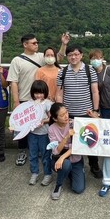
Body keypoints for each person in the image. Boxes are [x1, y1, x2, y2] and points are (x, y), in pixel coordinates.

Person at [8, 32, 69, 166]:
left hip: (42, 99)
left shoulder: (42, 56)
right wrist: (16, 101)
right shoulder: (17, 60)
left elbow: (57, 57)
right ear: (25, 44)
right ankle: (22, 151)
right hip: (25, 98)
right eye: (34, 43)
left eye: (37, 43)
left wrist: (63, 44)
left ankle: (42, 150)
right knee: (23, 125)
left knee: (42, 124)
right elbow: (13, 82)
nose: (37, 45)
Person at [55, 45, 101, 178]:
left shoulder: (89, 70)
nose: (73, 57)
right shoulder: (62, 72)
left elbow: (95, 91)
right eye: (70, 55)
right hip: (68, 114)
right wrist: (61, 112)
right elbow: (59, 93)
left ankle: (94, 165)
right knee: (71, 141)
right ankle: (74, 166)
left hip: (86, 113)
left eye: (76, 54)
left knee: (91, 140)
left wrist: (95, 111)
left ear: (81, 55)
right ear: (67, 57)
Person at [47, 102, 86, 200]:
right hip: (59, 161)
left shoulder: (74, 124)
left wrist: (62, 157)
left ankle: (70, 172)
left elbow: (78, 146)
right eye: (62, 115)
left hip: (75, 159)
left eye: (66, 112)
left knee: (78, 189)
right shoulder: (51, 129)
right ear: (55, 118)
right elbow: (55, 151)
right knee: (66, 164)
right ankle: (58, 185)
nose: (66, 116)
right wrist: (66, 137)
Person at [27, 80, 54, 186]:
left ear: (45, 93)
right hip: (32, 133)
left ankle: (48, 174)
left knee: (45, 154)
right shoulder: (29, 103)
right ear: (32, 93)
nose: (38, 95)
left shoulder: (47, 103)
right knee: (32, 154)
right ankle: (34, 173)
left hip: (44, 134)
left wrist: (44, 121)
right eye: (36, 93)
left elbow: (51, 118)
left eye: (41, 93)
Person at [89, 49, 110, 116]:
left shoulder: (109, 70)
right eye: (92, 59)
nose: (95, 60)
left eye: (97, 58)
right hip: (99, 107)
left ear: (102, 58)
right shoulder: (90, 72)